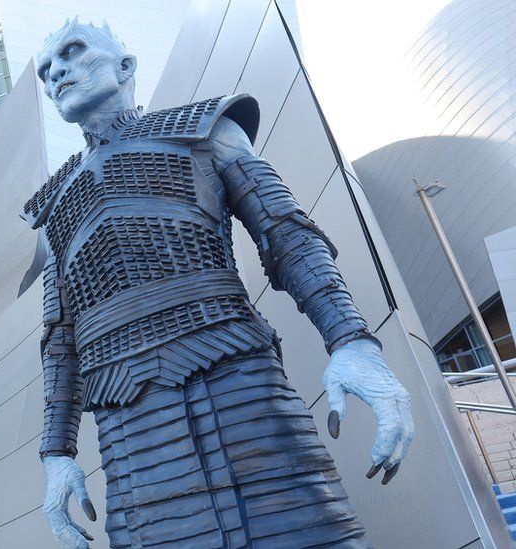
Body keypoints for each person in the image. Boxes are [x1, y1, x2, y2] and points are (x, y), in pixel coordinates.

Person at [21, 18, 414, 548]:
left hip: (237, 381)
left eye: (72, 52)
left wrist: (352, 341)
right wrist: (57, 454)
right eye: (46, 70)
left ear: (125, 66)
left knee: (303, 534)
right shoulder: (52, 208)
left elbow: (287, 235)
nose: (57, 72)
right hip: (127, 422)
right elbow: (60, 341)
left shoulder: (207, 130)